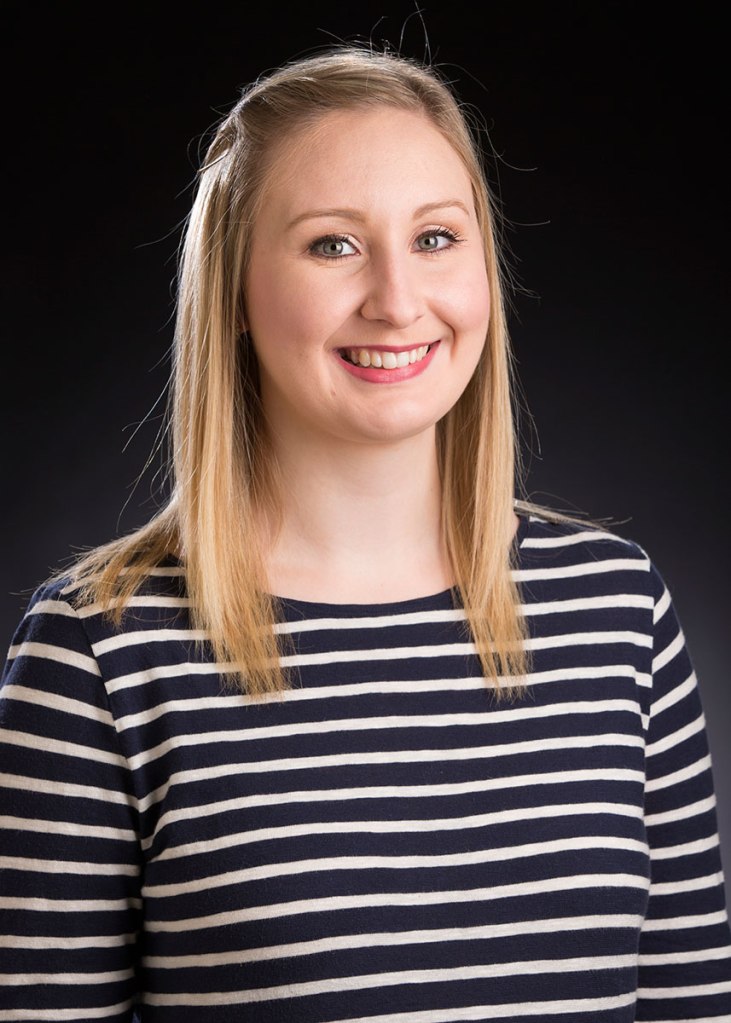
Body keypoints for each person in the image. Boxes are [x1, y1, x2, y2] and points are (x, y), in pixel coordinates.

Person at [1, 44, 729, 1023]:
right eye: (332, 244)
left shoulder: (618, 613)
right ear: (234, 295)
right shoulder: (100, 651)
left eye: (435, 237)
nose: (395, 298)